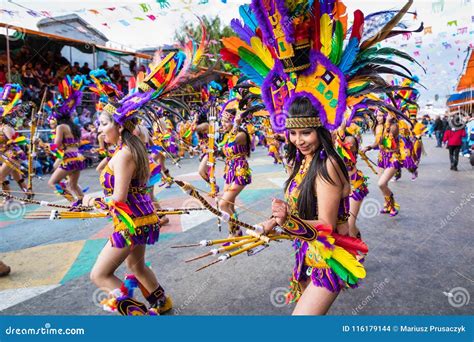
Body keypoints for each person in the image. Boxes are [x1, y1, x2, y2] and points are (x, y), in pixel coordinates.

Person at [46, 76, 86, 203]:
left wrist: (45, 145)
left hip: (69, 159)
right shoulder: (73, 126)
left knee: (53, 182)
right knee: (73, 185)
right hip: (78, 158)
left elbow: (56, 145)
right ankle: (84, 204)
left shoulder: (61, 127)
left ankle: (73, 203)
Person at [219, 100, 252, 238]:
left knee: (222, 204)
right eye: (222, 122)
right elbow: (222, 150)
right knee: (229, 205)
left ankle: (236, 231)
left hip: (240, 172)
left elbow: (232, 142)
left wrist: (237, 124)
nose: (223, 125)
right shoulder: (227, 135)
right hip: (230, 172)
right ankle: (234, 232)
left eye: (226, 122)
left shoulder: (241, 135)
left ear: (234, 122)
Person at [362, 111, 401, 216]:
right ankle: (387, 206)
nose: (378, 117)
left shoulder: (394, 126)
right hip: (382, 157)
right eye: (377, 115)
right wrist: (369, 147)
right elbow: (378, 142)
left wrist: (387, 122)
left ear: (386, 115)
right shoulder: (378, 127)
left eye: (380, 115)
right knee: (383, 184)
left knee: (381, 184)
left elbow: (386, 140)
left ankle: (392, 206)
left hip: (393, 157)